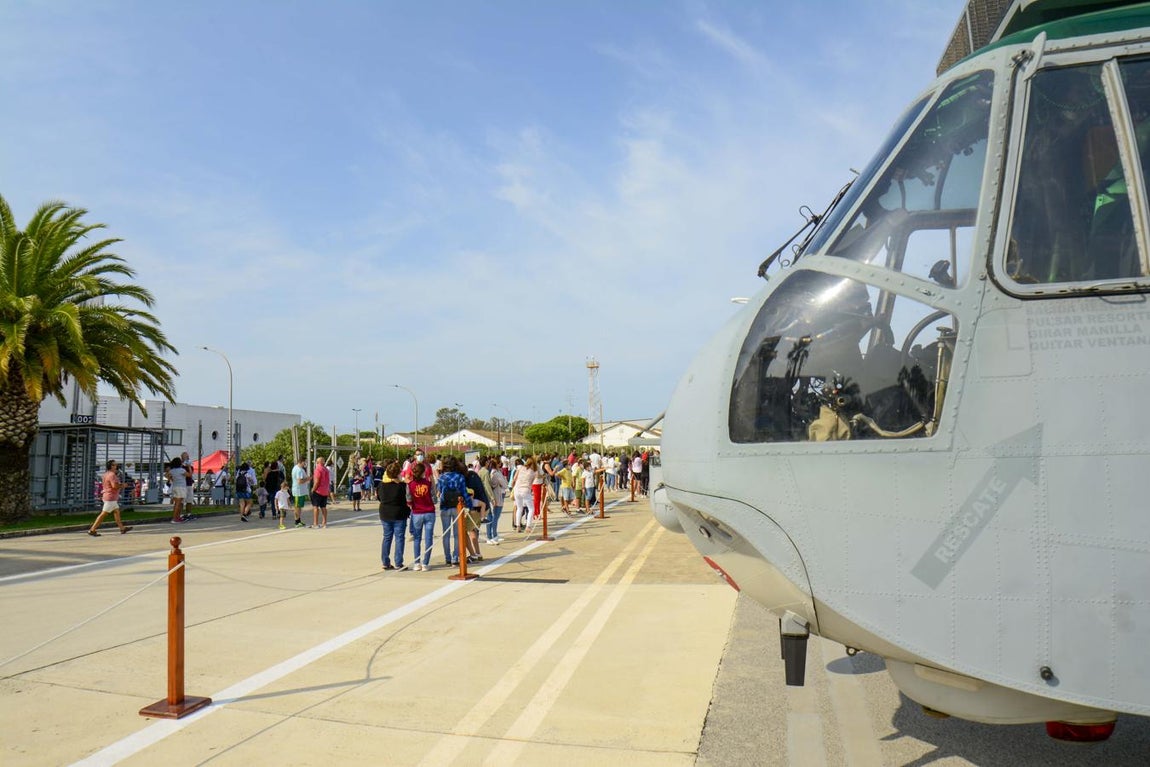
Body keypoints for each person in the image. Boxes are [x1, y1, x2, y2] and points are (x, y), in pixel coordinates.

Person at [437, 456, 471, 565]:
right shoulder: (460, 477)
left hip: (445, 506)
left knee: (446, 533)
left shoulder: (441, 477)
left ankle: (447, 557)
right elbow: (464, 493)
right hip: (458, 507)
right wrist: (469, 506)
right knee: (457, 534)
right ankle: (455, 557)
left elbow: (439, 492)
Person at [377, 461, 410, 570]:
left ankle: (385, 561)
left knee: (387, 537)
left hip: (385, 513)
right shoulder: (401, 486)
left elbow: (379, 498)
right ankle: (398, 562)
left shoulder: (381, 485)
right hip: (398, 514)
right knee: (399, 538)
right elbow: (404, 499)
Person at [88, 460, 132, 536]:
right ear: (111, 466)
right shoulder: (112, 475)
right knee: (103, 514)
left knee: (116, 512)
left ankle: (122, 528)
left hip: (108, 496)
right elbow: (114, 486)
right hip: (110, 498)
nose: (116, 466)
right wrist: (123, 485)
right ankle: (92, 529)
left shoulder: (105, 474)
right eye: (115, 465)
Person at [408, 461, 437, 571]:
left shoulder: (410, 485)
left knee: (417, 539)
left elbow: (409, 499)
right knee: (428, 538)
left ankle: (417, 562)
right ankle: (425, 563)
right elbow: (434, 498)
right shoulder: (428, 484)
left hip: (417, 513)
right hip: (429, 511)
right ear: (423, 473)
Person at [511, 456, 536, 532]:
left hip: (517, 489)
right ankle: (528, 526)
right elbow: (531, 484)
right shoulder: (533, 473)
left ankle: (518, 526)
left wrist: (513, 487)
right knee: (531, 508)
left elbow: (514, 479)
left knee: (519, 508)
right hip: (525, 490)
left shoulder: (520, 468)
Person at [311, 457, 331, 528]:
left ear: (318, 462)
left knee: (315, 507)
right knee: (323, 507)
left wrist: (313, 489)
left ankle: (315, 523)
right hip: (325, 490)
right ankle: (324, 523)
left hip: (318, 490)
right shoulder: (326, 469)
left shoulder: (318, 469)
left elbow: (317, 481)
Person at [167, 456, 187, 523]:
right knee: (178, 503)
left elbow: (166, 475)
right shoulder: (181, 470)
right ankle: (174, 518)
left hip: (175, 486)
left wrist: (171, 479)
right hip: (181, 487)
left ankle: (177, 517)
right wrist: (189, 467)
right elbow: (189, 475)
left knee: (178, 503)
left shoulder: (172, 471)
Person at [290, 456, 309, 528]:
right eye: (305, 462)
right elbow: (299, 481)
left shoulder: (299, 468)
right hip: (298, 491)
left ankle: (298, 520)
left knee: (299, 507)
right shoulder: (299, 470)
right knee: (297, 507)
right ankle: (296, 522)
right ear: (301, 462)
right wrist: (307, 479)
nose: (305, 463)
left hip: (301, 491)